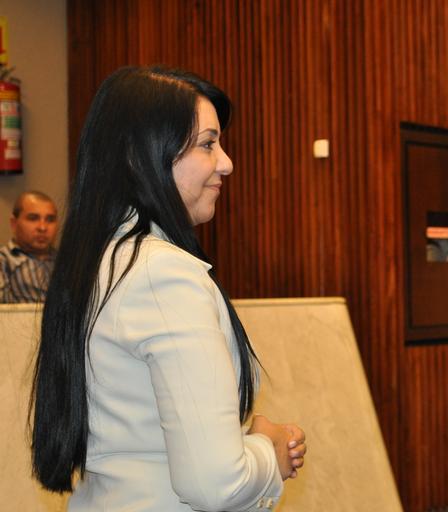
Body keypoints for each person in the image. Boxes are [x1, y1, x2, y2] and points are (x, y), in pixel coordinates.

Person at [31, 67, 305, 511]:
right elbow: (215, 484)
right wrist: (268, 449)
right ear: (145, 156)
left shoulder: (102, 260)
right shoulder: (162, 274)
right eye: (208, 144)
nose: (226, 163)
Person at [0, 191, 58, 303]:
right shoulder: (3, 261)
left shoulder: (66, 262)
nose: (42, 227)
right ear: (14, 223)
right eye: (33, 218)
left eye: (50, 219)